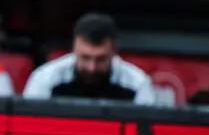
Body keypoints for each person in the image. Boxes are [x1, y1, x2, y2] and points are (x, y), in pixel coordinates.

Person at [22, 12, 156, 104]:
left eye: (101, 59)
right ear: (74, 48)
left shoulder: (137, 83)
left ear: (114, 51)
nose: (92, 68)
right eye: (85, 58)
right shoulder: (45, 78)